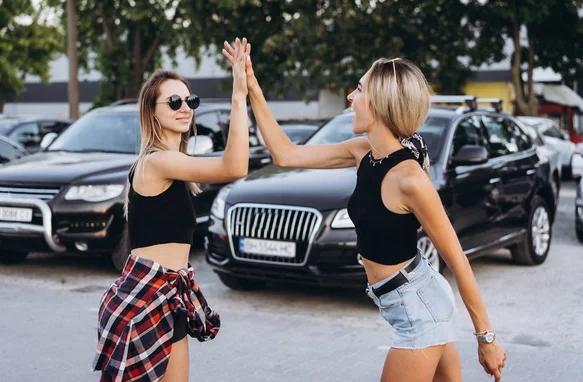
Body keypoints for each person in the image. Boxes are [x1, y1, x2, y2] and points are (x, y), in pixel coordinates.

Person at [222, 42, 507, 382]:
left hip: (420, 310)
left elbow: (458, 260)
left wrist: (486, 338)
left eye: (358, 89)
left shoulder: (410, 179)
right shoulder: (364, 153)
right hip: (410, 302)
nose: (349, 97)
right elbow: (286, 154)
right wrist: (251, 87)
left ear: (381, 104)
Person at [92, 38, 251, 382]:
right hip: (145, 298)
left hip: (172, 295)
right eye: (174, 101)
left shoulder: (175, 165)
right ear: (152, 111)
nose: (185, 107)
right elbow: (235, 166)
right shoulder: (157, 163)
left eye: (189, 100)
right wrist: (239, 95)